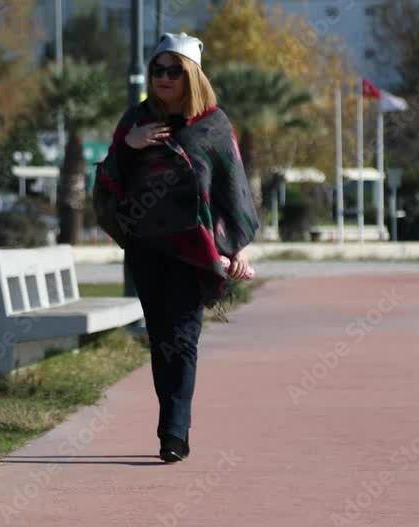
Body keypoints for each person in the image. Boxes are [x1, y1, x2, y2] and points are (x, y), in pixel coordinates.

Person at [92, 33, 260, 463]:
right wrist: (130, 147)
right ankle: (172, 422)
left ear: (192, 76)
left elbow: (231, 192)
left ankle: (174, 433)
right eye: (157, 69)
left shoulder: (213, 125)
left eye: (174, 70)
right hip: (147, 247)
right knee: (162, 339)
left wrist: (236, 247)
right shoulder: (134, 120)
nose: (164, 78)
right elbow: (110, 181)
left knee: (183, 339)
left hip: (194, 251)